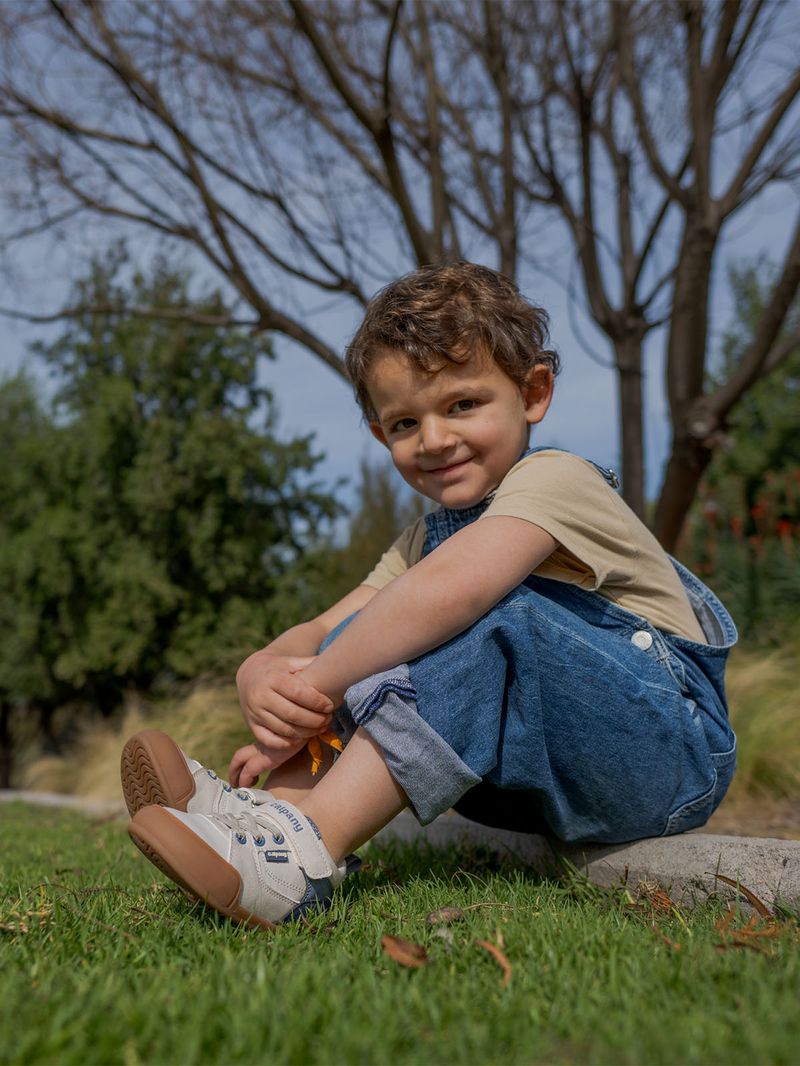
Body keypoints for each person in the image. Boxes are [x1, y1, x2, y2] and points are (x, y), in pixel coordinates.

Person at [122, 262, 737, 930]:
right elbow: (330, 627)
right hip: (529, 786)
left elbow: (456, 590)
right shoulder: (422, 539)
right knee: (365, 633)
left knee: (479, 616)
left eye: (462, 405)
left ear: (533, 393)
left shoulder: (558, 479)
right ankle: (272, 819)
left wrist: (319, 686)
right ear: (382, 435)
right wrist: (265, 670)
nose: (435, 439)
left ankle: (301, 857)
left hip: (662, 761)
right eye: (406, 423)